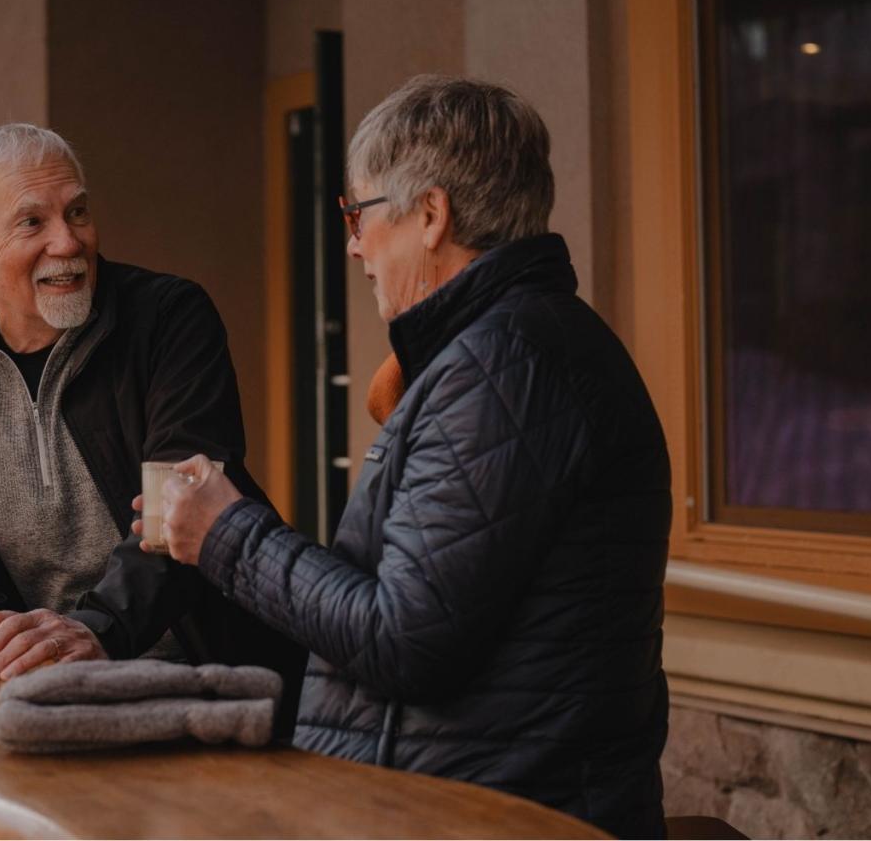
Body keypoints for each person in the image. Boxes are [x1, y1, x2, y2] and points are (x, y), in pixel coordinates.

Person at [152, 76, 671, 836]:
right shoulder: (511, 352)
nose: (354, 244)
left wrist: (228, 535)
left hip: (493, 817)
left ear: (431, 215)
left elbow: (406, 641)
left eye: (357, 214)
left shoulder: (504, 369)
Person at [0, 123, 302, 714]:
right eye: (32, 222)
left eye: (77, 212)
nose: (68, 242)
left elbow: (182, 510)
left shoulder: (171, 320)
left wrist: (99, 628)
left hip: (193, 673)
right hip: (18, 679)